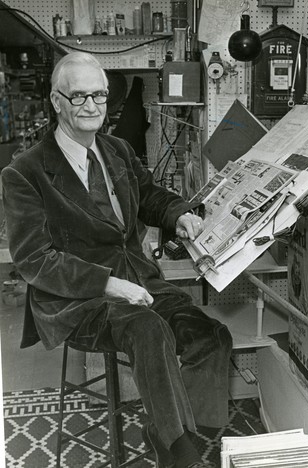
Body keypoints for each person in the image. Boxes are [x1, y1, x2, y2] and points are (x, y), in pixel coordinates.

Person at [2, 52, 233, 468]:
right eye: (79, 97)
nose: (92, 107)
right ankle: (181, 454)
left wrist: (178, 214)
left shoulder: (118, 149)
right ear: (56, 102)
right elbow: (35, 260)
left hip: (139, 281)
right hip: (79, 300)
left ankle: (175, 433)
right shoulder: (24, 172)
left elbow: (148, 197)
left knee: (211, 336)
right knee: (148, 329)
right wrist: (110, 284)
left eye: (100, 96)